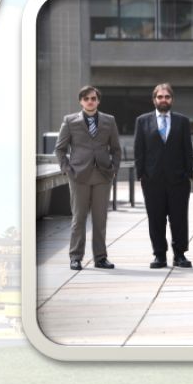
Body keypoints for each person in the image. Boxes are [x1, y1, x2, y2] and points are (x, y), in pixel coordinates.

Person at [54, 85, 121, 271]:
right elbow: (59, 149)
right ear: (81, 101)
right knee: (79, 218)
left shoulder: (109, 120)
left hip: (102, 175)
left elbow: (116, 149)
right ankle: (75, 257)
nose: (90, 101)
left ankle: (100, 258)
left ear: (98, 101)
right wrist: (67, 169)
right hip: (79, 176)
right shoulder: (69, 121)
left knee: (100, 219)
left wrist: (114, 169)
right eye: (86, 98)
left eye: (93, 98)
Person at [134, 83, 193, 269]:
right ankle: (159, 255)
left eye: (167, 97)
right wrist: (141, 175)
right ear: (154, 100)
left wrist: (187, 174)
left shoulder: (182, 121)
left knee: (179, 218)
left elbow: (187, 150)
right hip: (152, 181)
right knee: (156, 218)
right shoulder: (142, 121)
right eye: (160, 97)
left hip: (178, 180)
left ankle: (180, 255)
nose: (163, 100)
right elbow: (139, 150)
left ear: (172, 100)